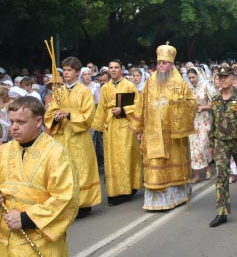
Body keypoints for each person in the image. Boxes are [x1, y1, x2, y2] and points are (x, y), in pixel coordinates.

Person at [0, 96, 78, 257]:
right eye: (11, 122)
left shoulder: (56, 153)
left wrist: (27, 218)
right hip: (8, 240)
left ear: (38, 121)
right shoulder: (2, 151)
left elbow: (66, 198)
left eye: (21, 122)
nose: (14, 127)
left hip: (40, 241)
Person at [131, 43, 196, 211]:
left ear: (171, 64)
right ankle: (155, 200)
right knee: (154, 163)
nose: (161, 66)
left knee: (173, 163)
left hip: (173, 135)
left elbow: (191, 104)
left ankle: (177, 195)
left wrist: (181, 109)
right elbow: (141, 105)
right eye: (159, 62)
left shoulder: (179, 83)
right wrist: (139, 129)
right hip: (152, 131)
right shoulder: (150, 82)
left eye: (164, 63)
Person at [45, 56, 101, 219]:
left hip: (79, 138)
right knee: (64, 170)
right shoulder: (59, 92)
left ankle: (83, 203)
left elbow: (89, 116)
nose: (66, 73)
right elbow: (49, 113)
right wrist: (56, 117)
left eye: (70, 70)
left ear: (77, 72)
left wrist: (69, 115)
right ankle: (67, 202)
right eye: (65, 70)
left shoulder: (84, 92)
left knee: (81, 169)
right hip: (62, 137)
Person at [208, 64, 237, 227]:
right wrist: (212, 141)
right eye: (220, 78)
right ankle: (222, 212)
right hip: (222, 143)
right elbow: (213, 122)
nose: (222, 80)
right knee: (221, 177)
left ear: (233, 78)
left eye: (225, 77)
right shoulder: (215, 99)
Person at [91, 60, 142, 206]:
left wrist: (124, 110)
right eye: (111, 68)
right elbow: (101, 107)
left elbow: (137, 105)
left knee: (126, 156)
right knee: (111, 159)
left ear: (121, 70)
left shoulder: (129, 85)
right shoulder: (105, 87)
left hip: (126, 125)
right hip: (111, 126)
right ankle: (114, 191)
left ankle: (128, 189)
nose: (113, 70)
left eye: (116, 68)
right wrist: (99, 127)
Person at [186, 67, 214, 183]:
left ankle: (207, 168)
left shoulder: (206, 86)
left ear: (198, 75)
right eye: (190, 78)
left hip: (204, 119)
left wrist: (203, 107)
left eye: (193, 77)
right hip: (192, 120)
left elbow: (214, 102)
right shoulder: (188, 88)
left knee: (202, 145)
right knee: (193, 147)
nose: (192, 80)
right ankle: (196, 174)